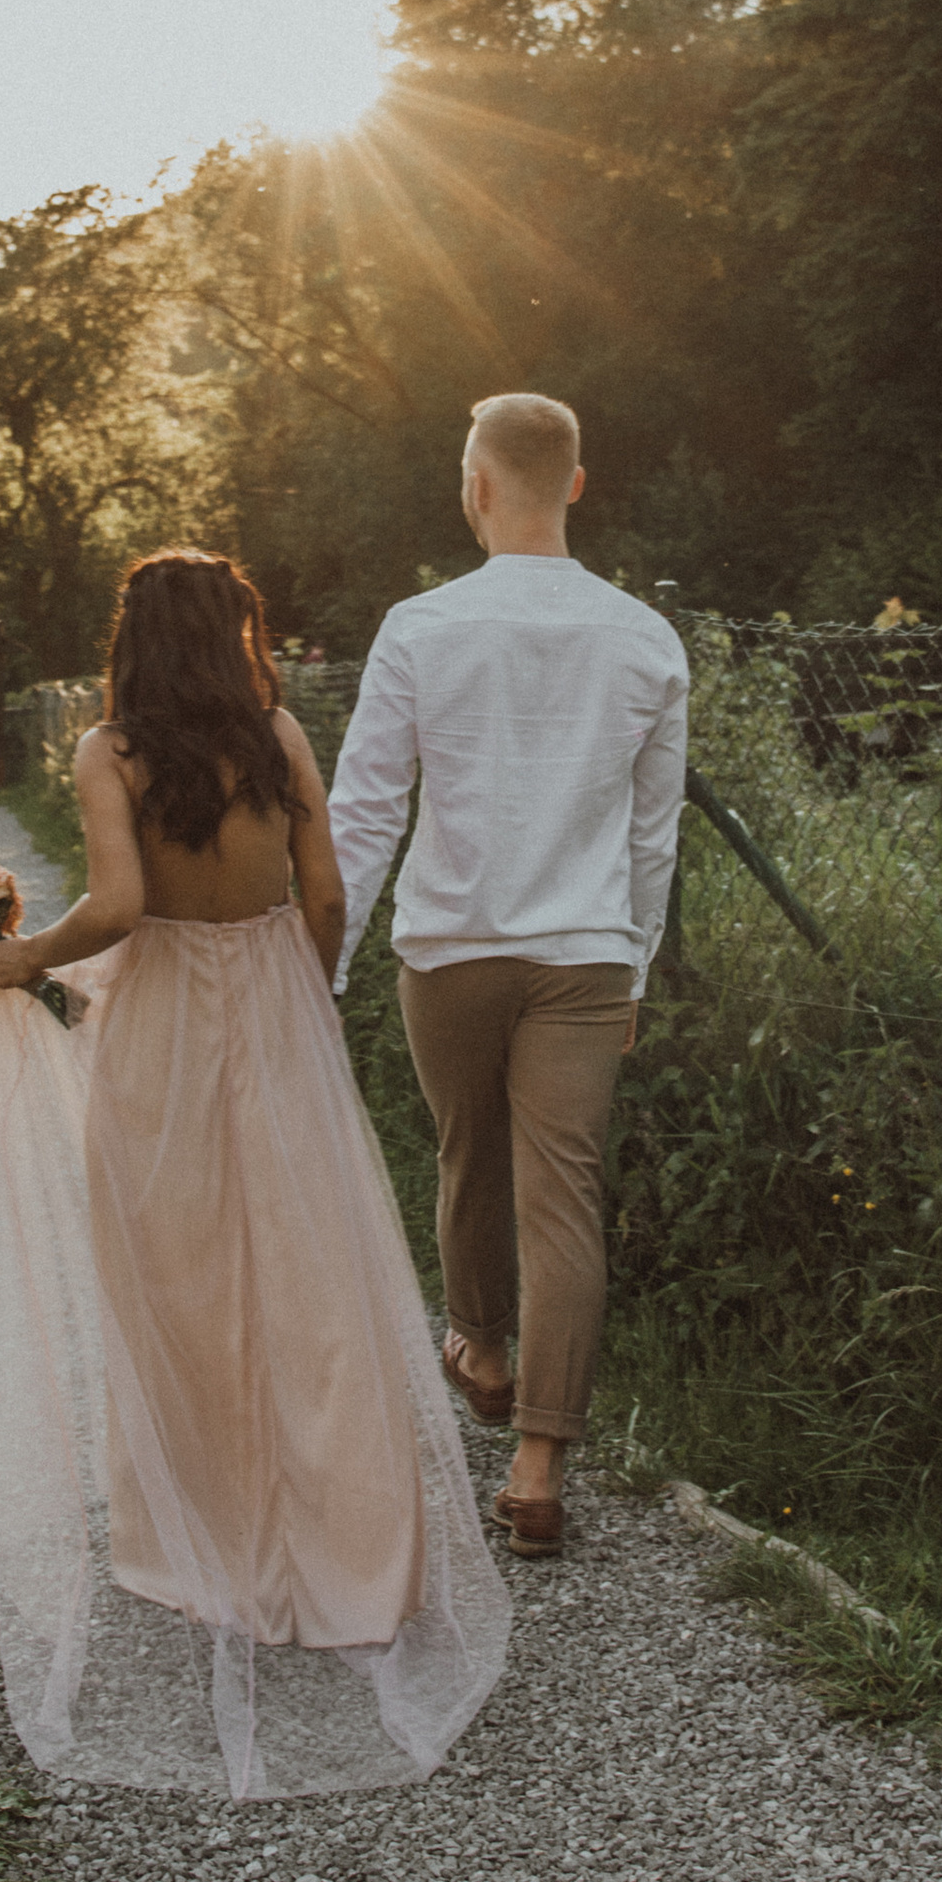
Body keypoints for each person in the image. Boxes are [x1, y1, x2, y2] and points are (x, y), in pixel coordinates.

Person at [0, 548, 509, 1799]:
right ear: (239, 634)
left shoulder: (112, 751)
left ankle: (212, 1546)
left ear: (133, 640)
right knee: (314, 1285)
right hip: (274, 1011)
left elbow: (113, 907)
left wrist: (23, 959)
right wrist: (300, 1000)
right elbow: (323, 892)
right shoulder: (274, 735)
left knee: (177, 1280)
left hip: (157, 1023)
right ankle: (342, 1546)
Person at [326, 395, 688, 1559]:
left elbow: (366, 815)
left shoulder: (420, 628)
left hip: (451, 950)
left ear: (474, 486)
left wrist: (319, 970)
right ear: (574, 486)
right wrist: (631, 965)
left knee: (465, 1150)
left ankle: (479, 1348)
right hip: (583, 956)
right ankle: (540, 1462)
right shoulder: (644, 639)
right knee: (563, 1193)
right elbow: (652, 833)